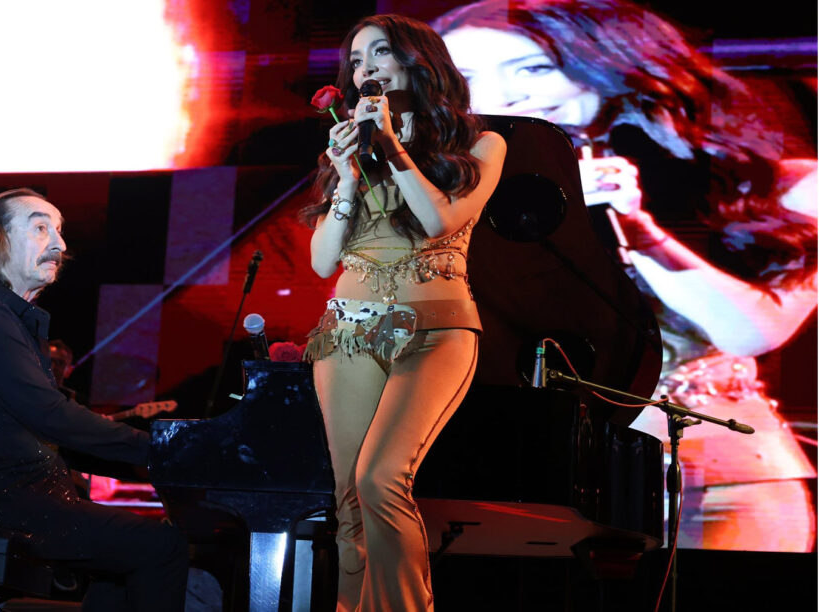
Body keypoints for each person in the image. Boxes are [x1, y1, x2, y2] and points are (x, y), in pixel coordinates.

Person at [432, 0, 817, 552]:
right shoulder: (458, 200)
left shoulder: (773, 186)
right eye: (466, 78)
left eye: (534, 68)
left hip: (713, 482)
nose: (501, 95)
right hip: (532, 476)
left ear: (609, 63)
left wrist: (638, 229)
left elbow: (751, 331)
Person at [300, 14, 506, 611]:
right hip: (349, 333)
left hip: (436, 332)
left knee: (381, 478)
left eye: (380, 52)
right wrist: (344, 179)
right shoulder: (347, 147)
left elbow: (440, 219)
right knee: (348, 498)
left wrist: (390, 146)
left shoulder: (481, 145)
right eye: (356, 60)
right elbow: (322, 261)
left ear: (418, 60)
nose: (365, 68)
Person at [0, 188, 187, 610]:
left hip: (7, 495)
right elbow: (50, 415)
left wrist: (145, 459)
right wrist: (159, 452)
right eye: (41, 228)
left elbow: (40, 422)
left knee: (128, 551)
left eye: (59, 230)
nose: (59, 244)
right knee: (162, 547)